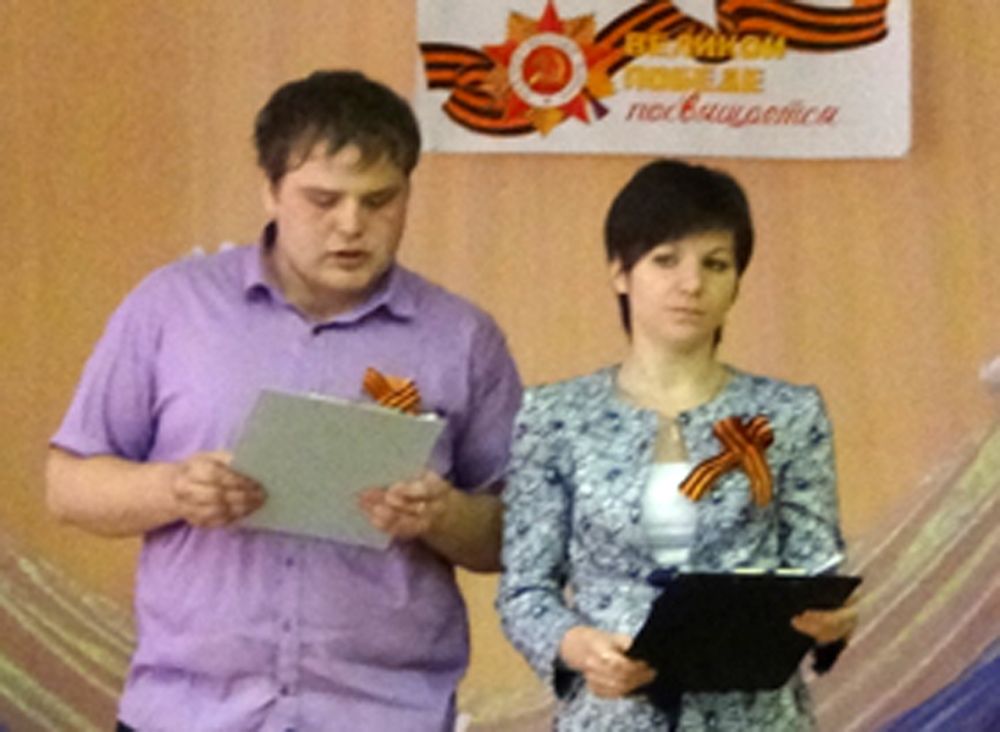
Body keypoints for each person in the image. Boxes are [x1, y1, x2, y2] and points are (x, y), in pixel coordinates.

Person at [45, 70, 522, 732]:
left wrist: (443, 515)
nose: (351, 225)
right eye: (323, 200)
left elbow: (515, 534)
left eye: (380, 200)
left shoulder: (461, 337)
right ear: (269, 191)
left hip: (382, 715)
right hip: (190, 713)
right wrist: (175, 489)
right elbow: (68, 486)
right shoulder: (172, 307)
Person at [497, 160, 857, 731]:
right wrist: (577, 644)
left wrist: (833, 621)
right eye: (666, 260)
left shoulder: (789, 413)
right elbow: (524, 589)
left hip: (755, 717)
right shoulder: (554, 416)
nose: (691, 284)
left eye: (715, 264)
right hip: (611, 717)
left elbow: (818, 569)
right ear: (620, 273)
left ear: (737, 281)